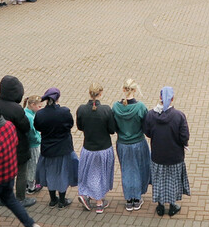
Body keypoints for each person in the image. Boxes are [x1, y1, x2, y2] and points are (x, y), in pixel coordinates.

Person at [143, 86, 190, 216]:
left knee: (159, 180)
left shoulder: (151, 115)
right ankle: (173, 205)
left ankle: (160, 206)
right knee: (173, 181)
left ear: (160, 97)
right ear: (172, 99)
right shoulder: (179, 116)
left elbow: (147, 132)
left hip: (157, 156)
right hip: (175, 156)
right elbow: (184, 137)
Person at [0, 75, 35, 206]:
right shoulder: (16, 108)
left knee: (3, 173)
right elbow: (25, 126)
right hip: (17, 146)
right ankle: (21, 198)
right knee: (21, 172)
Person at [33, 87, 79, 208]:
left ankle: (53, 199)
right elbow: (70, 124)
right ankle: (62, 201)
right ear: (57, 98)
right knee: (62, 173)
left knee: (50, 173)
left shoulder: (40, 114)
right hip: (63, 148)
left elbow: (37, 127)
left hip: (47, 149)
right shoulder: (64, 112)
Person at [76, 83, 116, 213]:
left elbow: (80, 127)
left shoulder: (81, 109)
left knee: (89, 173)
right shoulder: (106, 110)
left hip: (88, 148)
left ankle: (86, 194)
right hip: (104, 149)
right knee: (100, 174)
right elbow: (111, 130)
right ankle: (99, 203)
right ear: (100, 94)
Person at [113, 80, 151, 211]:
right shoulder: (140, 107)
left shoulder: (116, 107)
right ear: (134, 90)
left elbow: (114, 127)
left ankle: (129, 199)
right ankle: (137, 197)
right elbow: (146, 127)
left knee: (126, 170)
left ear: (123, 89)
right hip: (138, 142)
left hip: (123, 143)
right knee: (139, 168)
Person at [23, 96, 42, 194]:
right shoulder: (30, 117)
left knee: (29, 165)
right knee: (33, 165)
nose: (40, 109)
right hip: (33, 145)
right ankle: (31, 186)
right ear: (32, 105)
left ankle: (27, 183)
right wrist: (39, 139)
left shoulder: (25, 112)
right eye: (39, 106)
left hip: (27, 145)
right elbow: (33, 133)